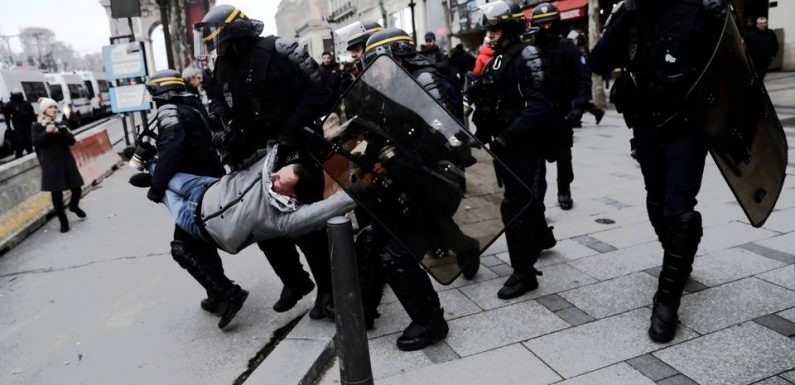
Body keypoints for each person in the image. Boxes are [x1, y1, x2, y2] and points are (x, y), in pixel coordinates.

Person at [590, 0, 729, 342]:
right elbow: (599, 61)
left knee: (679, 209)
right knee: (656, 199)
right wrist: (621, 19)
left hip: (688, 125)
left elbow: (732, 70)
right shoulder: (632, 14)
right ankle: (679, 260)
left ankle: (666, 300)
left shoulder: (703, 10)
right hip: (647, 125)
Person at [195, 4, 338, 320]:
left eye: (217, 40)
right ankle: (294, 279)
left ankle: (329, 291)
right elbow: (220, 96)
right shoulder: (223, 64)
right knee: (257, 221)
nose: (214, 47)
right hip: (252, 153)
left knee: (304, 225)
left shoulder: (278, 49)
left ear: (233, 33)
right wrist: (223, 123)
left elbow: (320, 89)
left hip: (291, 149)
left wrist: (290, 129)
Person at [129, 69, 248, 329]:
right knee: (198, 243)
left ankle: (229, 293)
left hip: (195, 190)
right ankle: (217, 294)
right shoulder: (191, 105)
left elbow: (172, 150)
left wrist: (156, 186)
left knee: (183, 247)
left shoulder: (169, 111)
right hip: (208, 182)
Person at [470, 0, 557, 300]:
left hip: (526, 147)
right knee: (521, 205)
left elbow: (540, 105)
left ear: (510, 27)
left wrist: (511, 133)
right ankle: (539, 243)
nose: (490, 35)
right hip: (505, 146)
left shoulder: (528, 54)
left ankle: (525, 273)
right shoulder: (497, 58)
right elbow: (495, 101)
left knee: (517, 208)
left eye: (495, 29)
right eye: (489, 30)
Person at [530, 3, 593, 211]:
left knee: (564, 157)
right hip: (537, 114)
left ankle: (564, 191)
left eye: (549, 23)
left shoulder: (568, 48)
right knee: (536, 162)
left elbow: (584, 78)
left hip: (562, 113)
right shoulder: (530, 51)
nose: (545, 28)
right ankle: (536, 199)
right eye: (541, 24)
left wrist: (579, 106)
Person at [31, 98, 86, 233]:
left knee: (77, 188)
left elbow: (72, 141)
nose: (54, 110)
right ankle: (63, 221)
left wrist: (62, 132)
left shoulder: (62, 124)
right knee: (56, 194)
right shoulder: (37, 126)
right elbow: (36, 143)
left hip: (66, 161)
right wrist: (47, 132)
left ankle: (74, 206)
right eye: (51, 107)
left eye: (55, 107)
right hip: (51, 164)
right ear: (44, 110)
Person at [566, 29, 605, 126]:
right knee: (582, 102)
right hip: (576, 81)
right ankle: (597, 112)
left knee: (578, 102)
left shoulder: (580, 51)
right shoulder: (574, 51)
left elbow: (584, 69)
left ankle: (575, 120)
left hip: (581, 81)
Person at [3, 91, 35, 158]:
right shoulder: (9, 105)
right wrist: (9, 126)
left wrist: (34, 120)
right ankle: (19, 154)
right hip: (18, 125)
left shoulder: (26, 103)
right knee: (20, 140)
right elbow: (7, 117)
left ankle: (29, 151)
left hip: (27, 124)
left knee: (28, 139)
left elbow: (32, 112)